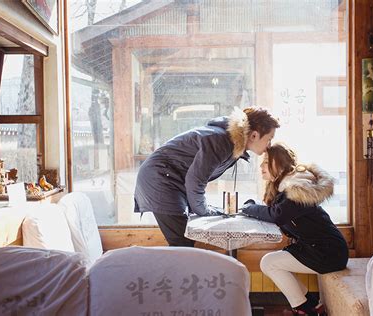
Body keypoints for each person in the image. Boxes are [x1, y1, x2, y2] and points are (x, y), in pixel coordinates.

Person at [134, 107, 280, 247]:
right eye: (269, 139)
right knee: (182, 244)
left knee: (183, 244)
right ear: (254, 135)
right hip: (160, 179)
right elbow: (195, 180)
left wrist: (204, 209)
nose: (269, 145)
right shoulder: (220, 141)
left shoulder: (230, 142)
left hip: (167, 178)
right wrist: (205, 211)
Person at [242, 143, 348, 316]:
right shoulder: (286, 189)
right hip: (317, 249)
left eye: (266, 161)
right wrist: (255, 209)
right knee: (271, 262)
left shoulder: (298, 189)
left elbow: (277, 215)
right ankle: (311, 306)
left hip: (329, 253)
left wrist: (249, 209)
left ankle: (305, 310)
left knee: (269, 263)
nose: (261, 166)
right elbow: (278, 214)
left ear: (279, 164)